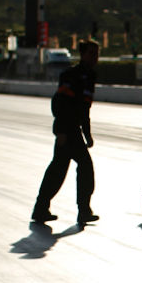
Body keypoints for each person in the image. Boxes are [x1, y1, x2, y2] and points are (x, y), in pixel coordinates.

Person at [32, 40, 100, 225]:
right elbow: (59, 103)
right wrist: (61, 131)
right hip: (67, 129)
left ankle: (41, 209)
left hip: (74, 130)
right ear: (83, 54)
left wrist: (87, 134)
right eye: (92, 53)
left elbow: (85, 109)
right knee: (81, 166)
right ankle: (83, 210)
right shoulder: (71, 75)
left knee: (59, 169)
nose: (95, 57)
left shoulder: (90, 76)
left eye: (97, 54)